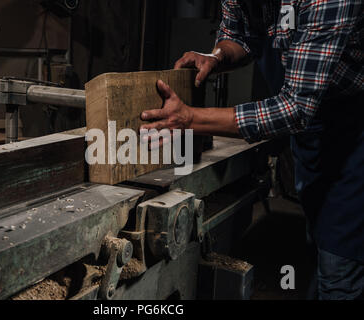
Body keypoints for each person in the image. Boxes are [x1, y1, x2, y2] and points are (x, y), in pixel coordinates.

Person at [140, 0, 363, 299]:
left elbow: (294, 109)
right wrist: (216, 56)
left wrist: (192, 118)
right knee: (320, 242)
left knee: (340, 266)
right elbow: (240, 37)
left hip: (353, 134)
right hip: (312, 133)